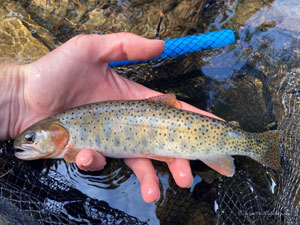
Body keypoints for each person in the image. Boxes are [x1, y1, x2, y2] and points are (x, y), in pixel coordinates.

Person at [0, 33, 221, 203]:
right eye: (30, 139)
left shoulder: (66, 129)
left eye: (31, 139)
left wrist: (18, 90)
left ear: (57, 131)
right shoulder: (66, 132)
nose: (27, 143)